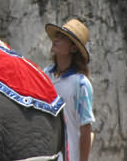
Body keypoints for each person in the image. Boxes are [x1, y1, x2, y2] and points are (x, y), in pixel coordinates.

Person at [44, 18, 94, 161]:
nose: (56, 40)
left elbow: (86, 128)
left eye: (62, 38)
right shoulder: (46, 75)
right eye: (57, 36)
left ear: (73, 48)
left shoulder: (81, 84)